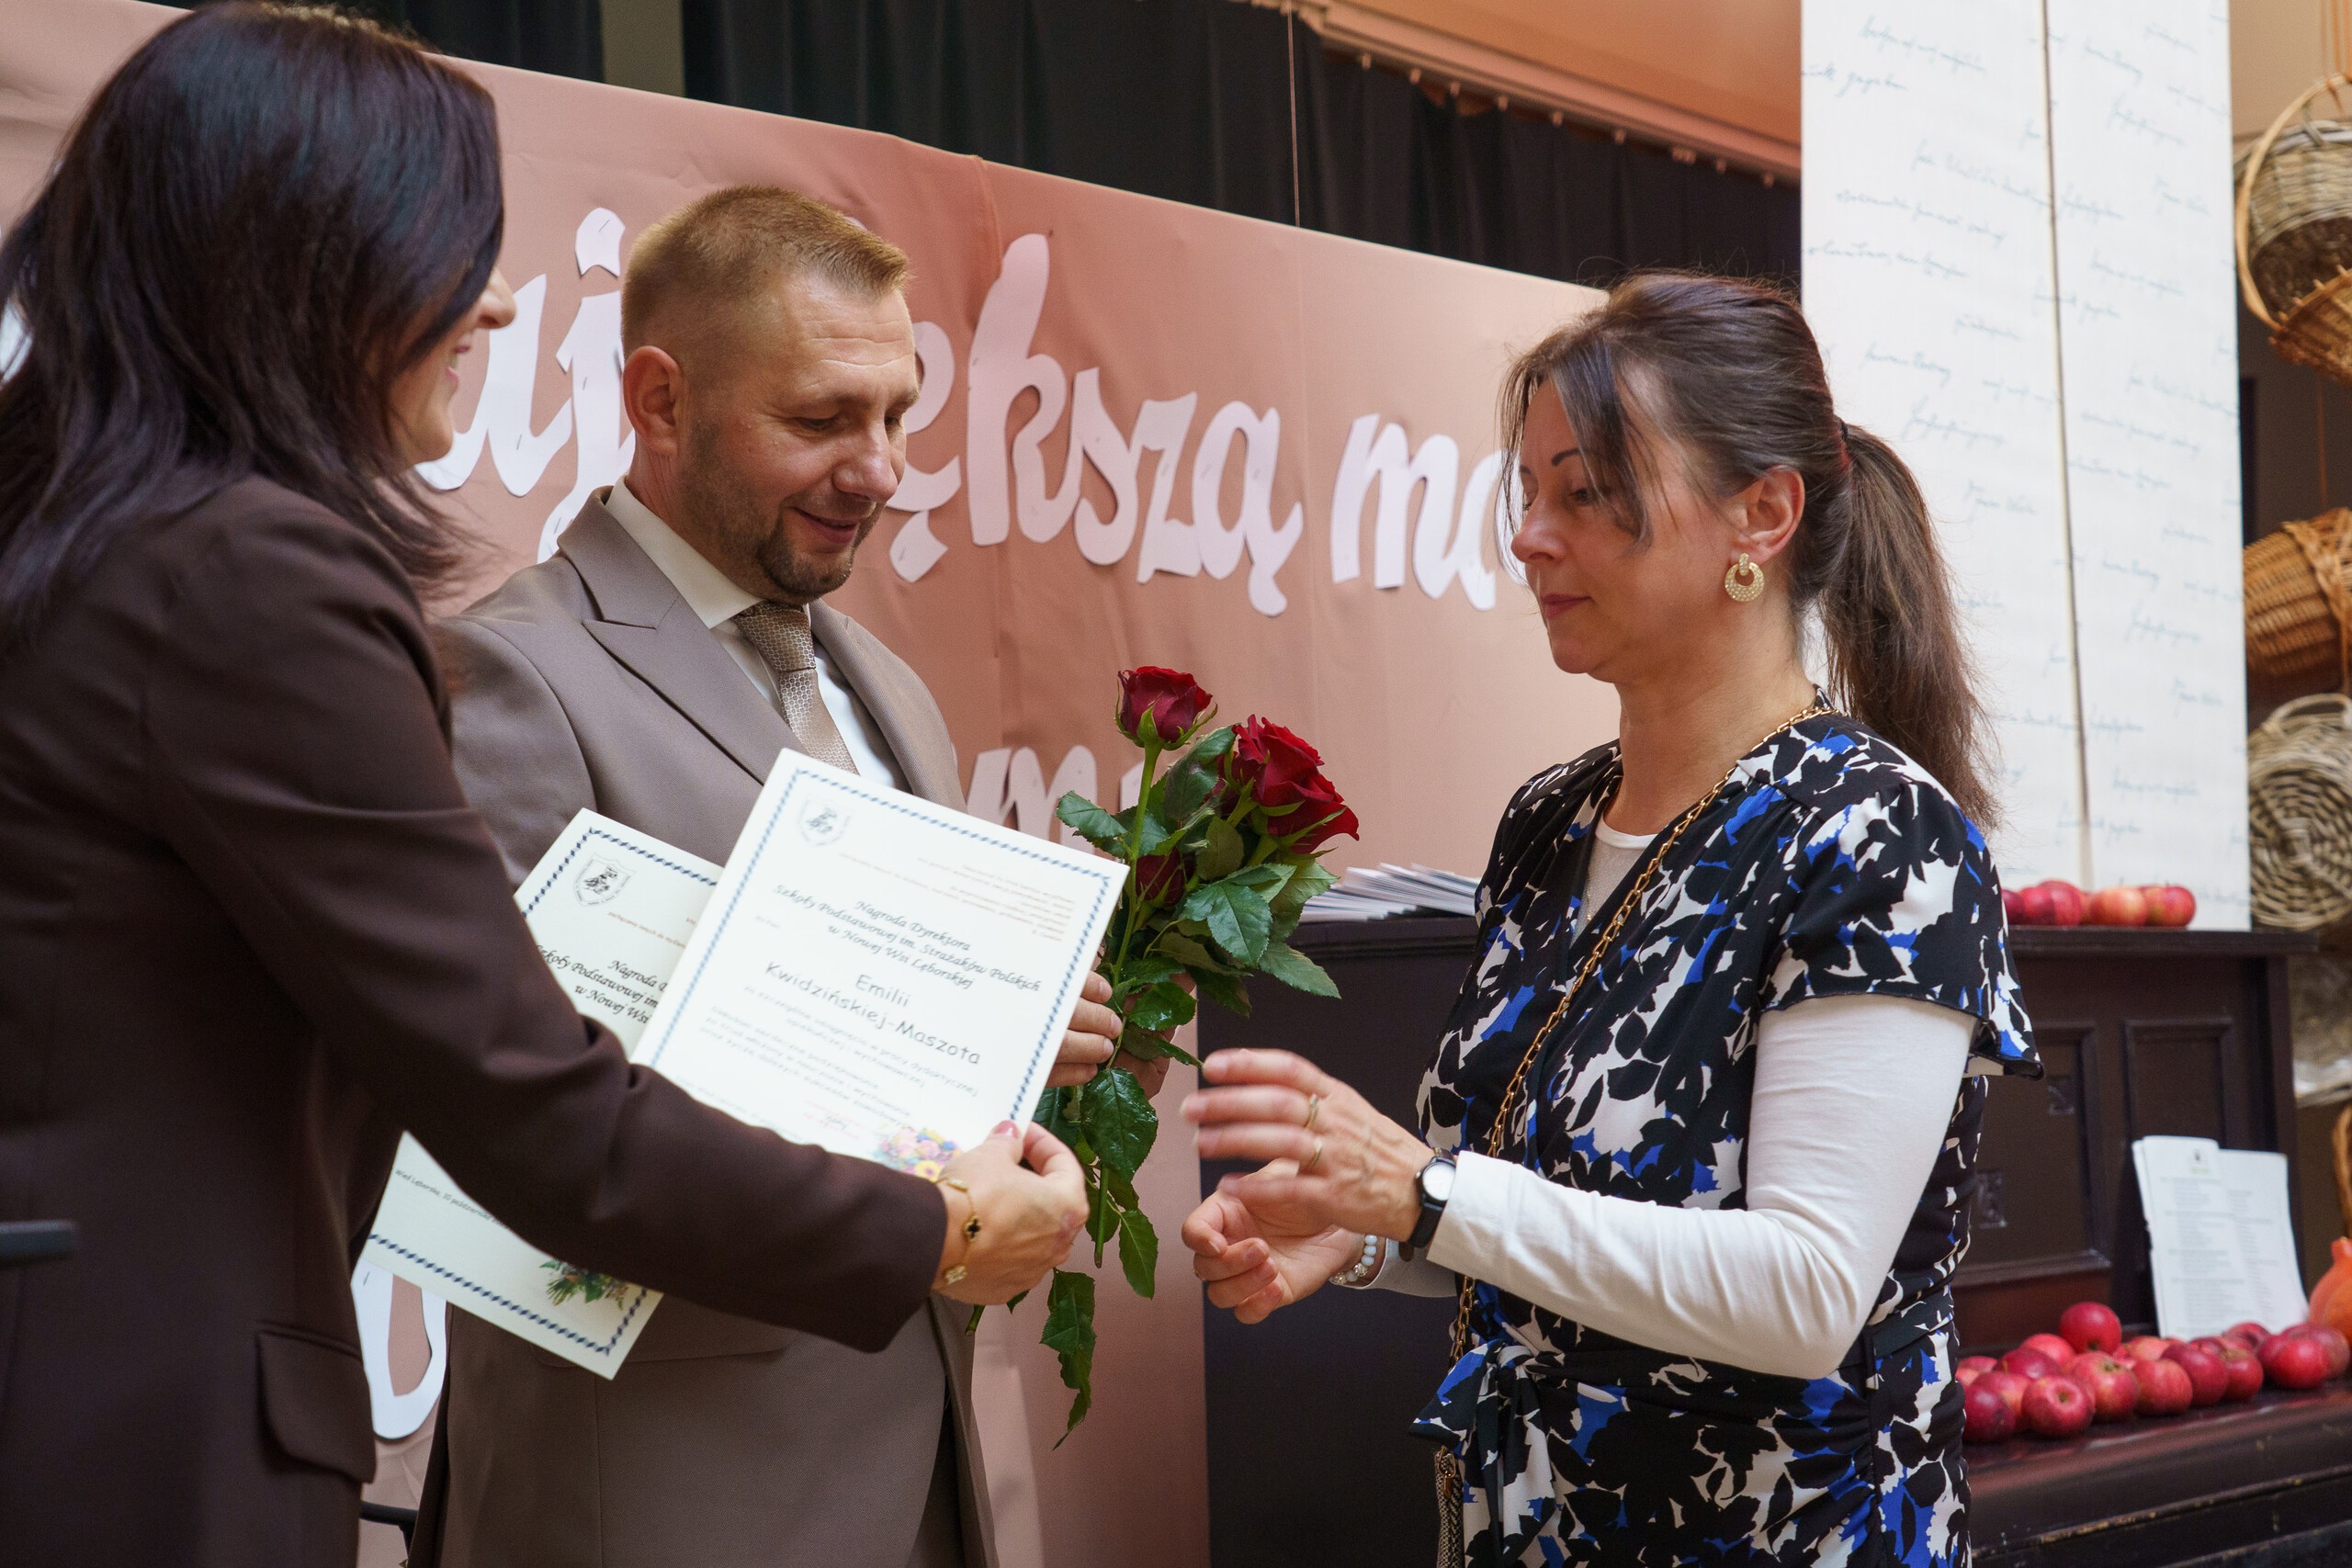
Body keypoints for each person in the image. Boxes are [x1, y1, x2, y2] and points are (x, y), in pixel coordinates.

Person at [0, 11, 1085, 1566]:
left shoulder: (94, 540)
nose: (498, 300)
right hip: (145, 1437)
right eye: (453, 246)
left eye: (895, 413)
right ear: (307, 265)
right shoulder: (256, 577)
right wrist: (943, 1224)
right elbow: (531, 1106)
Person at [1181, 273, 2040, 1567]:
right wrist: (1363, 1232)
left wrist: (1422, 1195)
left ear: (1763, 514)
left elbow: (1807, 1292)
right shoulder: (1551, 818)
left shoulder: (1876, 831)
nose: (1532, 538)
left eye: (1583, 493)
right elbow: (1529, 1210)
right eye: (1528, 493)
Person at [417, 185, 1148, 1568]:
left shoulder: (892, 690)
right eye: (820, 420)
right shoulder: (509, 673)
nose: (879, 470)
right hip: (664, 1499)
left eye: (898, 416)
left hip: (927, 1479)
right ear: (660, 400)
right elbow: (501, 1131)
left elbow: (878, 1067)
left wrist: (1003, 1042)